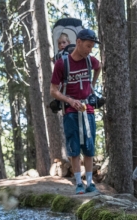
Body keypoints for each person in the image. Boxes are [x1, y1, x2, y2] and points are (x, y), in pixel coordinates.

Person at [50, 29, 102, 195]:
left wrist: (92, 85)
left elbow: (99, 66)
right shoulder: (62, 64)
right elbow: (53, 90)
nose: (89, 50)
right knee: (74, 147)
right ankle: (79, 183)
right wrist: (70, 100)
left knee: (89, 146)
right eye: (88, 46)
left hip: (88, 110)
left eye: (92, 47)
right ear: (78, 42)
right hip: (70, 112)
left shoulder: (90, 61)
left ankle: (90, 183)